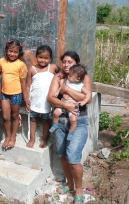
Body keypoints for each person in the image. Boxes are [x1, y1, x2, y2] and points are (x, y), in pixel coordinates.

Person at [47, 51, 92, 204]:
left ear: (76, 64)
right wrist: (64, 104)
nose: (66, 65)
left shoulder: (82, 77)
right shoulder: (59, 77)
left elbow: (88, 98)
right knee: (63, 155)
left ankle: (79, 189)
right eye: (64, 62)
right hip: (61, 121)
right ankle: (69, 183)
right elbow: (51, 97)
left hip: (78, 121)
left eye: (70, 62)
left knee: (73, 158)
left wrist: (67, 90)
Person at [0, 39, 27, 149]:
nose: (12, 54)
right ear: (6, 50)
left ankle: (13, 137)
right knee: (6, 116)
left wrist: (26, 98)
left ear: (19, 53)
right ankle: (8, 135)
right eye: (10, 51)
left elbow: (23, 82)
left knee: (15, 116)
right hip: (5, 94)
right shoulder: (2, 61)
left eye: (15, 52)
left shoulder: (21, 65)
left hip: (16, 94)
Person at [24, 45, 60, 148]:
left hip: (47, 102)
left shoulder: (53, 67)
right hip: (34, 100)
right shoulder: (32, 69)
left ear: (50, 58)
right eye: (40, 57)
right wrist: (26, 99)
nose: (43, 60)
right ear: (36, 57)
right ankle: (32, 139)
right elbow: (27, 86)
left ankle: (44, 139)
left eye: (46, 58)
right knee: (33, 119)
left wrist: (59, 88)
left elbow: (62, 75)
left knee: (46, 120)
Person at [50, 64, 89, 141]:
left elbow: (88, 94)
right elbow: (61, 87)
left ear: (78, 79)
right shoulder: (67, 81)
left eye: (70, 76)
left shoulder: (80, 86)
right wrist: (57, 92)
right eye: (69, 75)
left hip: (73, 106)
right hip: (63, 103)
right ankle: (55, 124)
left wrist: (84, 101)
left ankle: (71, 132)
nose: (68, 76)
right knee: (56, 113)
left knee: (73, 120)